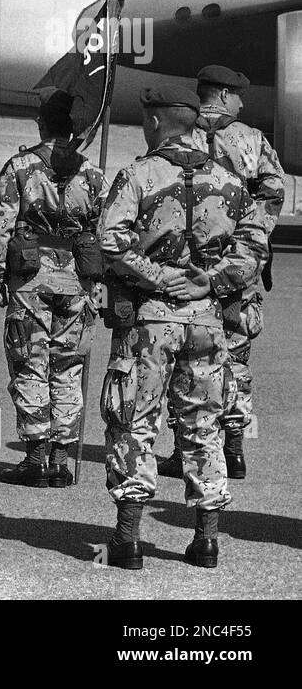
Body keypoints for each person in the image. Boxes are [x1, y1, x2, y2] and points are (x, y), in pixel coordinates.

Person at [96, 85, 267, 570]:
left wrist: (161, 277)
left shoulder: (138, 174)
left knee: (133, 420)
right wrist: (209, 281)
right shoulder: (231, 182)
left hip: (150, 321)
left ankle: (128, 541)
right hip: (208, 323)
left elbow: (110, 240)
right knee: (203, 424)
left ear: (154, 122)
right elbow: (255, 246)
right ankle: (206, 541)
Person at [153, 65, 285, 481]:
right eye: (238, 95)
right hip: (237, 267)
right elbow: (274, 188)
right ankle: (233, 446)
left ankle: (184, 447)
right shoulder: (250, 138)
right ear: (224, 94)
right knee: (237, 356)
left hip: (184, 265)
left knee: (187, 356)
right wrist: (253, 238)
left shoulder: (180, 130)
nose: (243, 103)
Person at [0, 91, 105, 487]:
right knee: (68, 365)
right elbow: (104, 232)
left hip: (30, 280)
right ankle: (61, 460)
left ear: (41, 125)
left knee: (30, 362)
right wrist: (98, 283)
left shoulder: (19, 167)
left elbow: (0, 228)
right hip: (77, 282)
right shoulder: (93, 175)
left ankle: (34, 457)